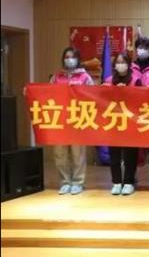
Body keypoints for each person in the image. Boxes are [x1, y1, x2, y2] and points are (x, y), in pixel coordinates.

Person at [49, 47, 94, 195]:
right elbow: (47, 94)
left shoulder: (85, 77)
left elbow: (93, 96)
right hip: (59, 119)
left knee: (78, 153)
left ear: (78, 59)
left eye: (72, 57)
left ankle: (78, 182)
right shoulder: (57, 77)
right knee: (60, 153)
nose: (69, 59)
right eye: (67, 57)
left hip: (78, 119)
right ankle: (65, 181)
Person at [103, 52, 141, 196]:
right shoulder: (108, 80)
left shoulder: (136, 80)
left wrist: (127, 92)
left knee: (130, 153)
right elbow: (101, 98)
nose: (120, 65)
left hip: (131, 121)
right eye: (118, 62)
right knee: (114, 153)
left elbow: (142, 98)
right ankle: (116, 182)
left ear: (129, 64)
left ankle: (129, 181)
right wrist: (111, 90)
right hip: (114, 121)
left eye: (123, 62)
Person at [131, 36, 149, 187]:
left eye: (146, 48)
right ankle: (132, 173)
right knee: (134, 143)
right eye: (140, 47)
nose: (142, 50)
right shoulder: (130, 66)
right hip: (133, 111)